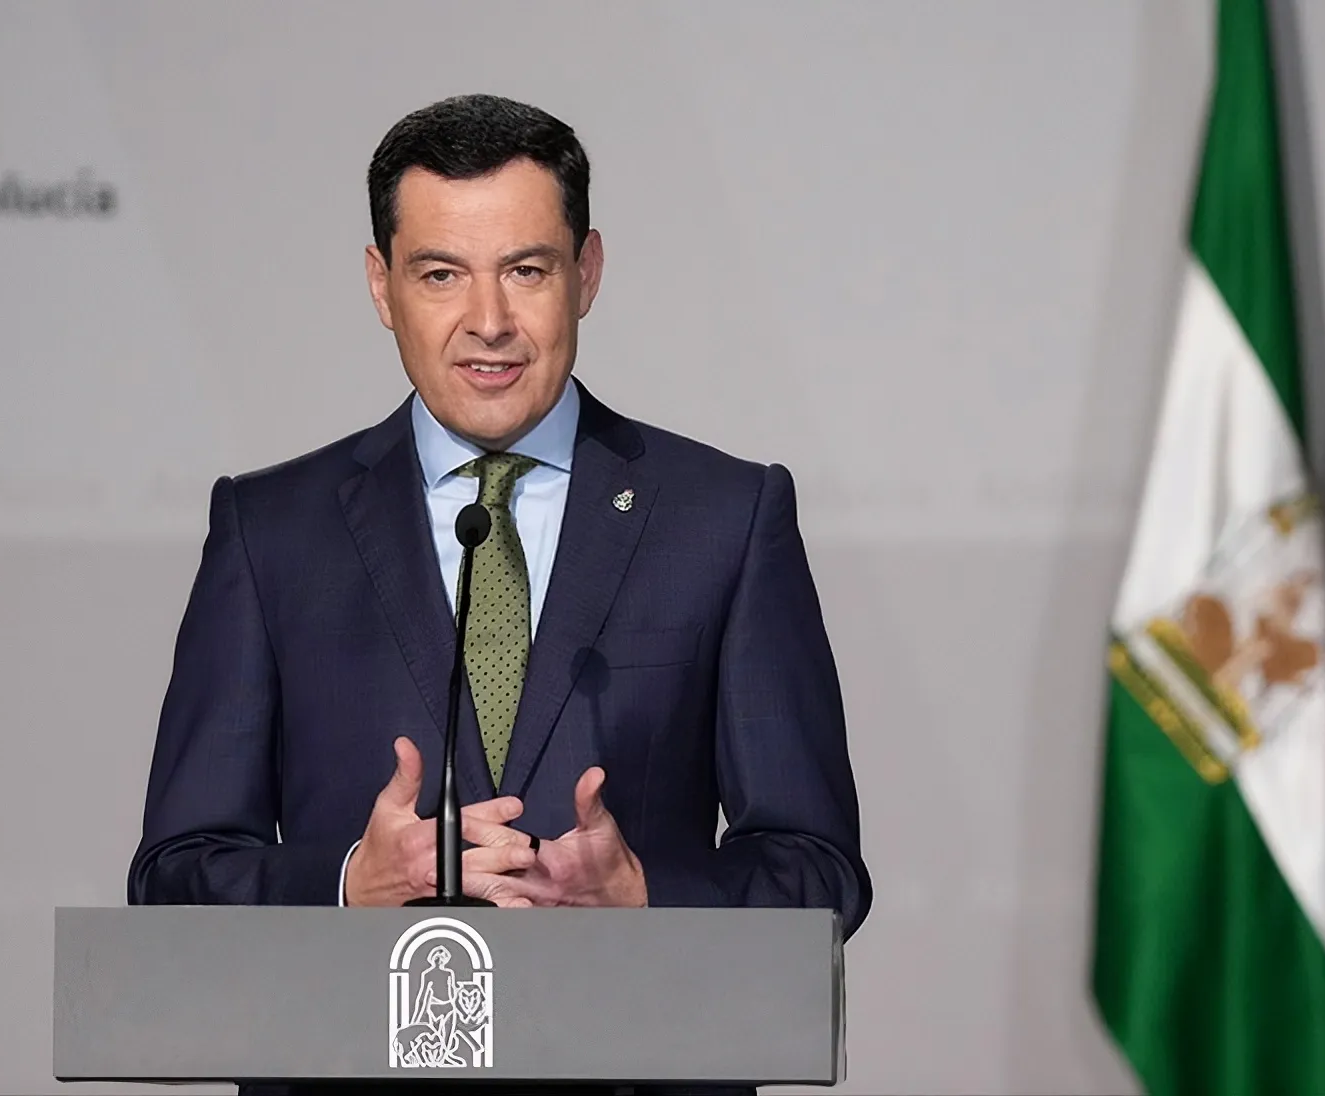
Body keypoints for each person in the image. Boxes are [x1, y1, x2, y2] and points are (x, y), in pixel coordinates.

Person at [128, 92, 871, 1093]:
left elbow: (819, 868)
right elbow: (173, 874)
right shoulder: (271, 532)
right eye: (441, 274)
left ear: (588, 273)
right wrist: (352, 882)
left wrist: (650, 892)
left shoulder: (726, 518)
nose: (489, 321)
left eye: (527, 270)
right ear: (382, 285)